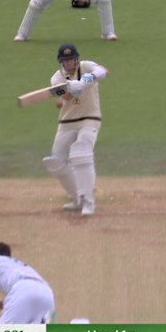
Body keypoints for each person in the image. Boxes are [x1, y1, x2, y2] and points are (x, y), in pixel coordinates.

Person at [42, 43, 108, 216]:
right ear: (61, 62)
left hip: (90, 118)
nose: (69, 63)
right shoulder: (57, 78)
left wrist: (85, 81)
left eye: (71, 59)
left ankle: (88, 201)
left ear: (76, 59)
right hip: (67, 122)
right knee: (55, 161)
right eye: (65, 60)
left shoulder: (87, 66)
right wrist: (71, 88)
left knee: (81, 152)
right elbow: (68, 96)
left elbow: (104, 71)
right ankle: (77, 198)